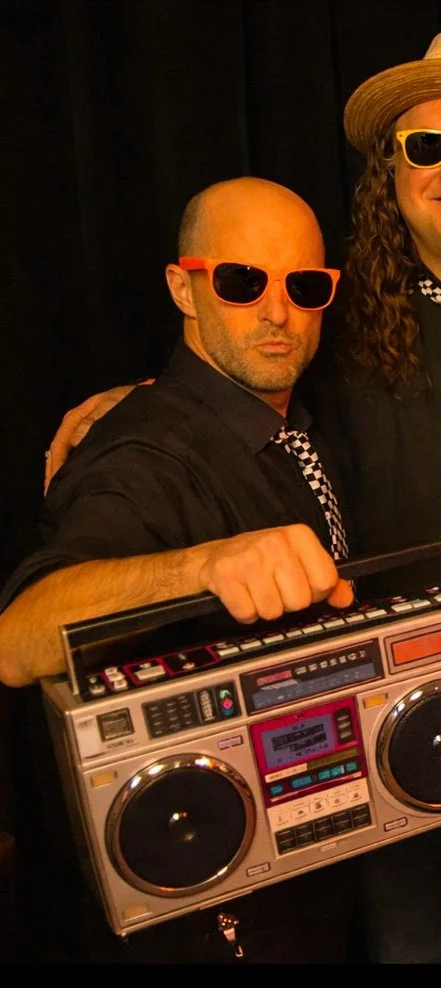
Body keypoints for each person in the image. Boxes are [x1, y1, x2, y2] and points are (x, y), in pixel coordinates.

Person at [40, 32, 441, 963]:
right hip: (403, 753)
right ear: (393, 176)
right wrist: (137, 398)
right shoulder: (332, 317)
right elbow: (239, 367)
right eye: (426, 145)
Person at [0, 177, 362, 962]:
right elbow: (17, 637)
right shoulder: (144, 456)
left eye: (304, 286)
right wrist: (203, 564)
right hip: (208, 905)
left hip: (306, 862)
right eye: (241, 282)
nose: (278, 312)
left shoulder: (288, 420)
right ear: (182, 287)